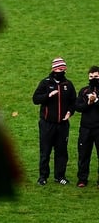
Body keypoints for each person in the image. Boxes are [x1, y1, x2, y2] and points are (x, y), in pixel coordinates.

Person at [32, 57, 76, 185]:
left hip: (62, 125)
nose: (60, 71)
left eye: (62, 69)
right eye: (57, 68)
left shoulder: (68, 85)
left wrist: (70, 112)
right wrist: (48, 95)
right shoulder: (45, 83)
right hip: (47, 124)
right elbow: (35, 99)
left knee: (62, 152)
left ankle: (60, 176)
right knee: (45, 151)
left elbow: (74, 102)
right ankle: (43, 177)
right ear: (53, 69)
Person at [75, 66, 99, 188]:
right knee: (83, 154)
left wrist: (96, 101)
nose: (93, 79)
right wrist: (88, 103)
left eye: (96, 77)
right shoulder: (84, 91)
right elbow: (78, 107)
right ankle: (82, 179)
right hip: (85, 129)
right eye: (91, 77)